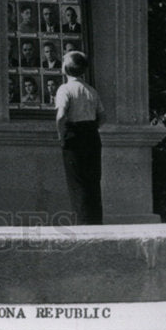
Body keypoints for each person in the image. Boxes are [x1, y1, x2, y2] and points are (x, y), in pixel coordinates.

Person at [55, 51, 105, 224]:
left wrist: (61, 135)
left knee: (77, 181)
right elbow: (102, 116)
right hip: (91, 135)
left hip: (74, 135)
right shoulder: (91, 90)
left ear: (66, 68)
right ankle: (95, 221)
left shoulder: (65, 89)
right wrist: (92, 128)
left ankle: (83, 223)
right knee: (93, 180)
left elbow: (61, 116)